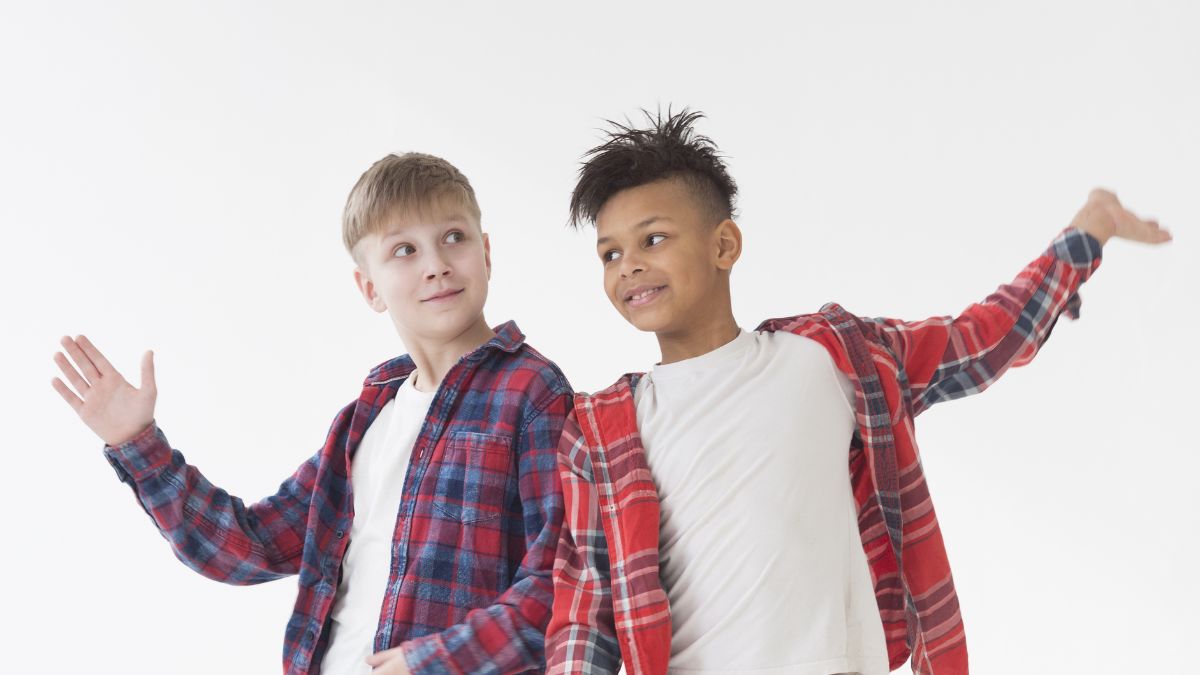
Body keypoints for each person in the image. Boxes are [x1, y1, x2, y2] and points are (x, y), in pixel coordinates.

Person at [544, 109, 1171, 675]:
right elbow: (585, 613)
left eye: (653, 239)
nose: (628, 265)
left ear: (724, 245)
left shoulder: (826, 358)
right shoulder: (605, 430)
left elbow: (980, 343)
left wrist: (1086, 234)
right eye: (609, 253)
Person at [52, 153, 572, 675]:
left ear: (486, 253)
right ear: (370, 288)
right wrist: (137, 441)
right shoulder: (365, 420)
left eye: (454, 237)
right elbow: (251, 545)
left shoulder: (531, 393)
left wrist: (428, 663)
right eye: (404, 250)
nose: (436, 264)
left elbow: (560, 583)